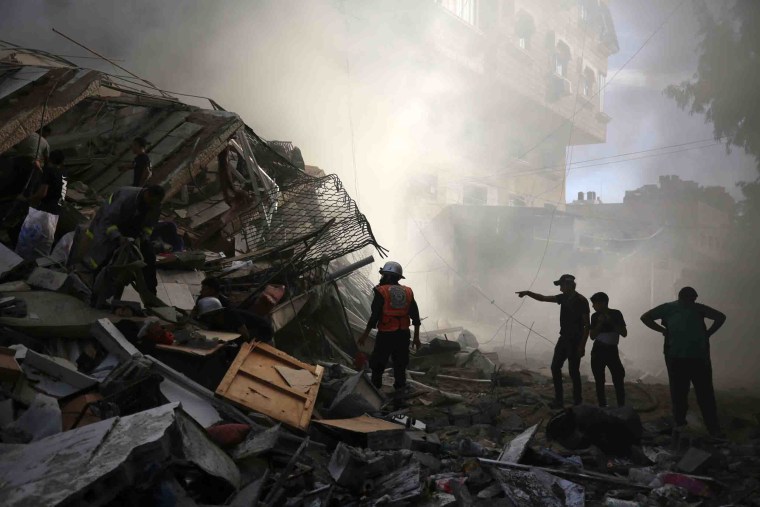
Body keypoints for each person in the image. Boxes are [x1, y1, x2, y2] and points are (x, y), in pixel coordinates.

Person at [641, 287, 726, 436]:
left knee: (680, 393)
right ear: (692, 297)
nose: (692, 301)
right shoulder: (696, 308)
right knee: (703, 394)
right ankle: (712, 429)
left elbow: (645, 317)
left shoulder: (669, 308)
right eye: (692, 298)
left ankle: (682, 427)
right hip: (695, 358)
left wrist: (663, 330)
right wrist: (708, 334)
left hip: (679, 357)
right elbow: (720, 317)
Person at [82, 185, 164, 305]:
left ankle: (152, 298)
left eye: (155, 203)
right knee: (107, 260)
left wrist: (144, 238)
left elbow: (150, 226)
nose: (152, 204)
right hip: (113, 227)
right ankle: (95, 295)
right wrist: (118, 237)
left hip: (135, 233)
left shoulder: (155, 205)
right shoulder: (125, 197)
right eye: (151, 201)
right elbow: (108, 221)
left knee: (149, 259)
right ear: (147, 193)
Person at [517, 274, 590, 408]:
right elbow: (543, 298)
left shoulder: (581, 300)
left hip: (575, 341)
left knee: (574, 371)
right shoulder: (563, 298)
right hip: (563, 338)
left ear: (568, 285)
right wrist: (528, 293)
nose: (560, 288)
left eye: (561, 285)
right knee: (555, 367)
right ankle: (559, 400)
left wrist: (582, 346)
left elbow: (587, 325)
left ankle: (577, 402)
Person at [358, 261, 421, 392]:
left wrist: (364, 335)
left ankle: (375, 391)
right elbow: (415, 316)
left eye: (383, 275)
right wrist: (416, 338)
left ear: (387, 276)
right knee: (400, 365)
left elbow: (374, 316)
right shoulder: (408, 292)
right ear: (398, 277)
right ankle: (400, 392)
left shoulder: (381, 291)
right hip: (403, 334)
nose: (381, 278)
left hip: (386, 334)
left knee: (378, 364)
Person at [14, 150, 67, 260]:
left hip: (44, 212)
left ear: (50, 159)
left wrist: (25, 199)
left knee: (26, 238)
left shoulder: (49, 171)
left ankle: (20, 262)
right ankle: (38, 264)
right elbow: (54, 182)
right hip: (57, 212)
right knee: (44, 243)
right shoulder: (64, 173)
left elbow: (42, 193)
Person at [589, 292, 627, 407]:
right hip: (598, 350)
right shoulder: (595, 316)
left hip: (611, 350)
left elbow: (624, 333)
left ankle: (621, 405)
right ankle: (602, 406)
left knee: (618, 377)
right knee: (599, 380)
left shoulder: (616, 314)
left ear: (603, 303)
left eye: (595, 304)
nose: (593, 306)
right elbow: (592, 336)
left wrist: (611, 322)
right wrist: (600, 323)